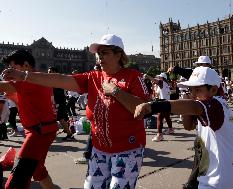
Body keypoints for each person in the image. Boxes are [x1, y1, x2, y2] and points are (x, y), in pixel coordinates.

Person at [2, 34, 150, 189]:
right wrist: (24, 76)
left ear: (119, 54)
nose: (99, 58)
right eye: (98, 54)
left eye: (104, 53)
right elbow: (59, 79)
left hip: (127, 149)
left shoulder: (133, 77)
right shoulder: (92, 77)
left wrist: (116, 92)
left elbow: (144, 108)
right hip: (99, 150)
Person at [134, 67, 233, 189]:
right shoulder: (215, 105)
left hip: (217, 181)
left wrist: (153, 106)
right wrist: (187, 101)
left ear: (213, 90)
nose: (193, 94)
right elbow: (188, 126)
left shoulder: (215, 105)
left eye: (198, 89)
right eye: (191, 89)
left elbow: (193, 107)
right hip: (218, 176)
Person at [1, 50, 58, 189]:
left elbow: (4, 87)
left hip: (38, 132)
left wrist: (5, 81)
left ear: (26, 65)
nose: (11, 72)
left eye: (14, 68)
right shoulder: (35, 79)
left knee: (19, 175)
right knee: (38, 170)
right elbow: (20, 99)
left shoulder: (32, 78)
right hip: (41, 129)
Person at [143, 72, 173, 142]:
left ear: (162, 78)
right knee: (167, 117)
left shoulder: (162, 82)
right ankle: (170, 129)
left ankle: (159, 135)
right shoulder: (166, 84)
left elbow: (154, 80)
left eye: (160, 77)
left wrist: (148, 76)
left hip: (163, 102)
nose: (158, 78)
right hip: (167, 102)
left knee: (159, 118)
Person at [48, 66, 75, 141]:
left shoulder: (57, 81)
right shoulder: (54, 80)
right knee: (62, 118)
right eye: (48, 71)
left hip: (59, 102)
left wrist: (56, 103)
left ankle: (69, 134)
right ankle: (67, 130)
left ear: (55, 72)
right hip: (59, 102)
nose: (48, 73)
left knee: (60, 118)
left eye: (50, 71)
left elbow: (58, 93)